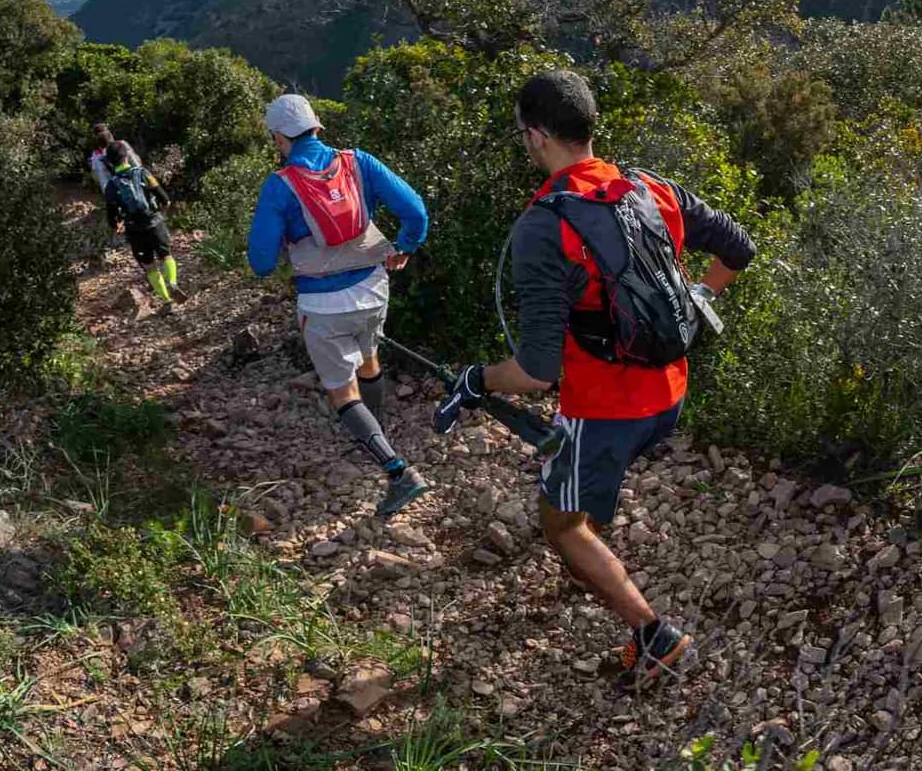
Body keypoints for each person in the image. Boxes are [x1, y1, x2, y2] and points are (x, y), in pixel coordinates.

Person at [433, 69, 755, 687]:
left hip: (605, 409)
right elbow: (738, 245)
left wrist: (478, 377)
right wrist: (698, 298)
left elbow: (535, 371)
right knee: (584, 495)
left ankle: (652, 633)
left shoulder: (543, 225)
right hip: (671, 393)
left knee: (560, 524)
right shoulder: (648, 187)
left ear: (535, 137)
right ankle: (591, 559)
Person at [248, 93, 433, 518]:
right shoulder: (358, 161)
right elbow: (416, 212)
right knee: (369, 357)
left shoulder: (280, 185)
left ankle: (397, 472)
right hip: (373, 287)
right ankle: (377, 427)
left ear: (279, 137)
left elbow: (260, 263)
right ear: (317, 127)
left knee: (340, 390)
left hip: (323, 303)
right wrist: (403, 247)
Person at [104, 148, 185, 309]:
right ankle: (173, 283)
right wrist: (160, 214)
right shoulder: (142, 173)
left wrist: (117, 226)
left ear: (110, 163)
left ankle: (167, 300)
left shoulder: (111, 185)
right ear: (126, 157)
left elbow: (111, 215)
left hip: (134, 230)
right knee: (166, 256)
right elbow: (164, 199)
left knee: (149, 266)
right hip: (154, 223)